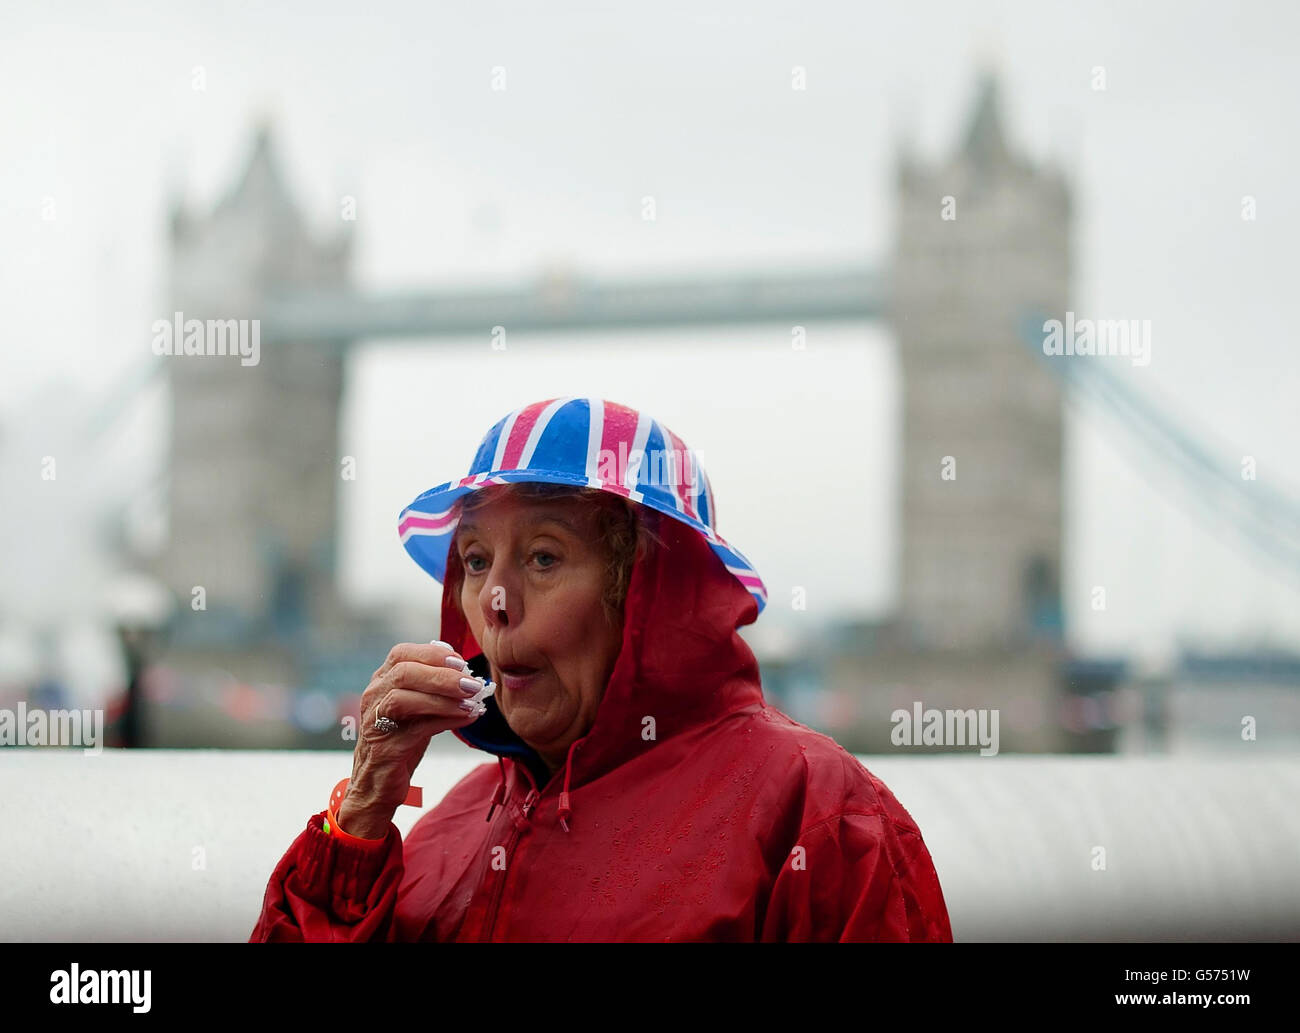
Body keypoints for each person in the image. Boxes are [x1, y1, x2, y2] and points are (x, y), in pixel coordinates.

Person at [250, 397, 953, 942]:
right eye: (473, 560)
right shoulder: (448, 824)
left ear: (649, 589)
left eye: (543, 557)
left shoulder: (818, 814)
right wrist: (361, 819)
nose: (493, 601)